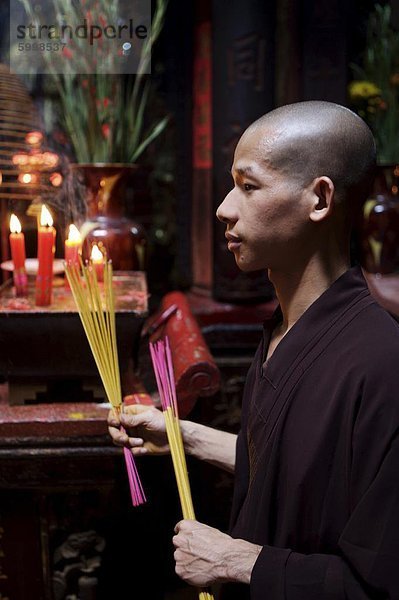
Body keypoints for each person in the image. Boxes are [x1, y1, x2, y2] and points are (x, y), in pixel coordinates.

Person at [108, 101, 399, 599]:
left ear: (320, 199)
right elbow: (295, 469)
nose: (224, 207)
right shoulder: (289, 328)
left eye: (249, 186)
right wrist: (183, 436)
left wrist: (239, 561)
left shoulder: (381, 365)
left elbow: (379, 584)